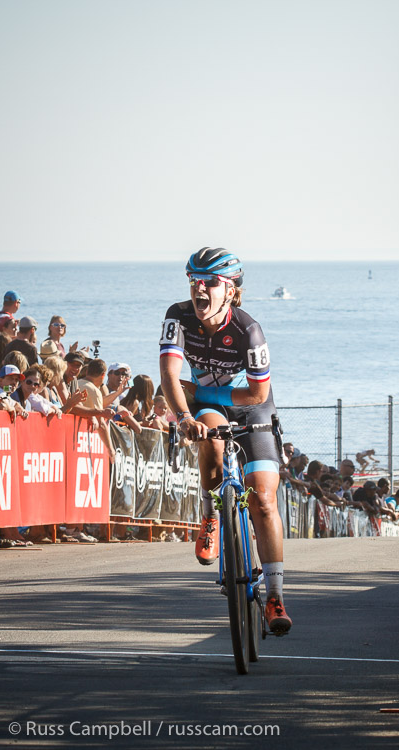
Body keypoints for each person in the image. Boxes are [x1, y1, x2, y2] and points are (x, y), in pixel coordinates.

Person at [159, 247, 291, 634]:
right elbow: (169, 375)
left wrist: (199, 394)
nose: (199, 289)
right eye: (193, 281)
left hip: (253, 407)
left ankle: (275, 597)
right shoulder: (178, 316)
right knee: (211, 444)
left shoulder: (249, 330)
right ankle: (211, 516)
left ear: (231, 290)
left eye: (210, 282)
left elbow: (256, 394)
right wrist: (185, 417)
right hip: (209, 407)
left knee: (263, 500)